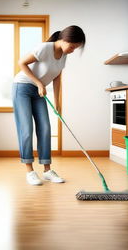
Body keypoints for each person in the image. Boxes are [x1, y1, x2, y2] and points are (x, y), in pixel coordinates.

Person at [12, 25, 86, 185]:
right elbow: (21, 63)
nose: (72, 50)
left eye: (75, 48)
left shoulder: (64, 55)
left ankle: (47, 170)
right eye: (72, 46)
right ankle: (30, 172)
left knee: (45, 128)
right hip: (22, 87)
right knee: (26, 129)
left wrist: (58, 102)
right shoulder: (44, 48)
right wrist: (39, 83)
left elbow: (57, 77)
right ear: (65, 39)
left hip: (40, 90)